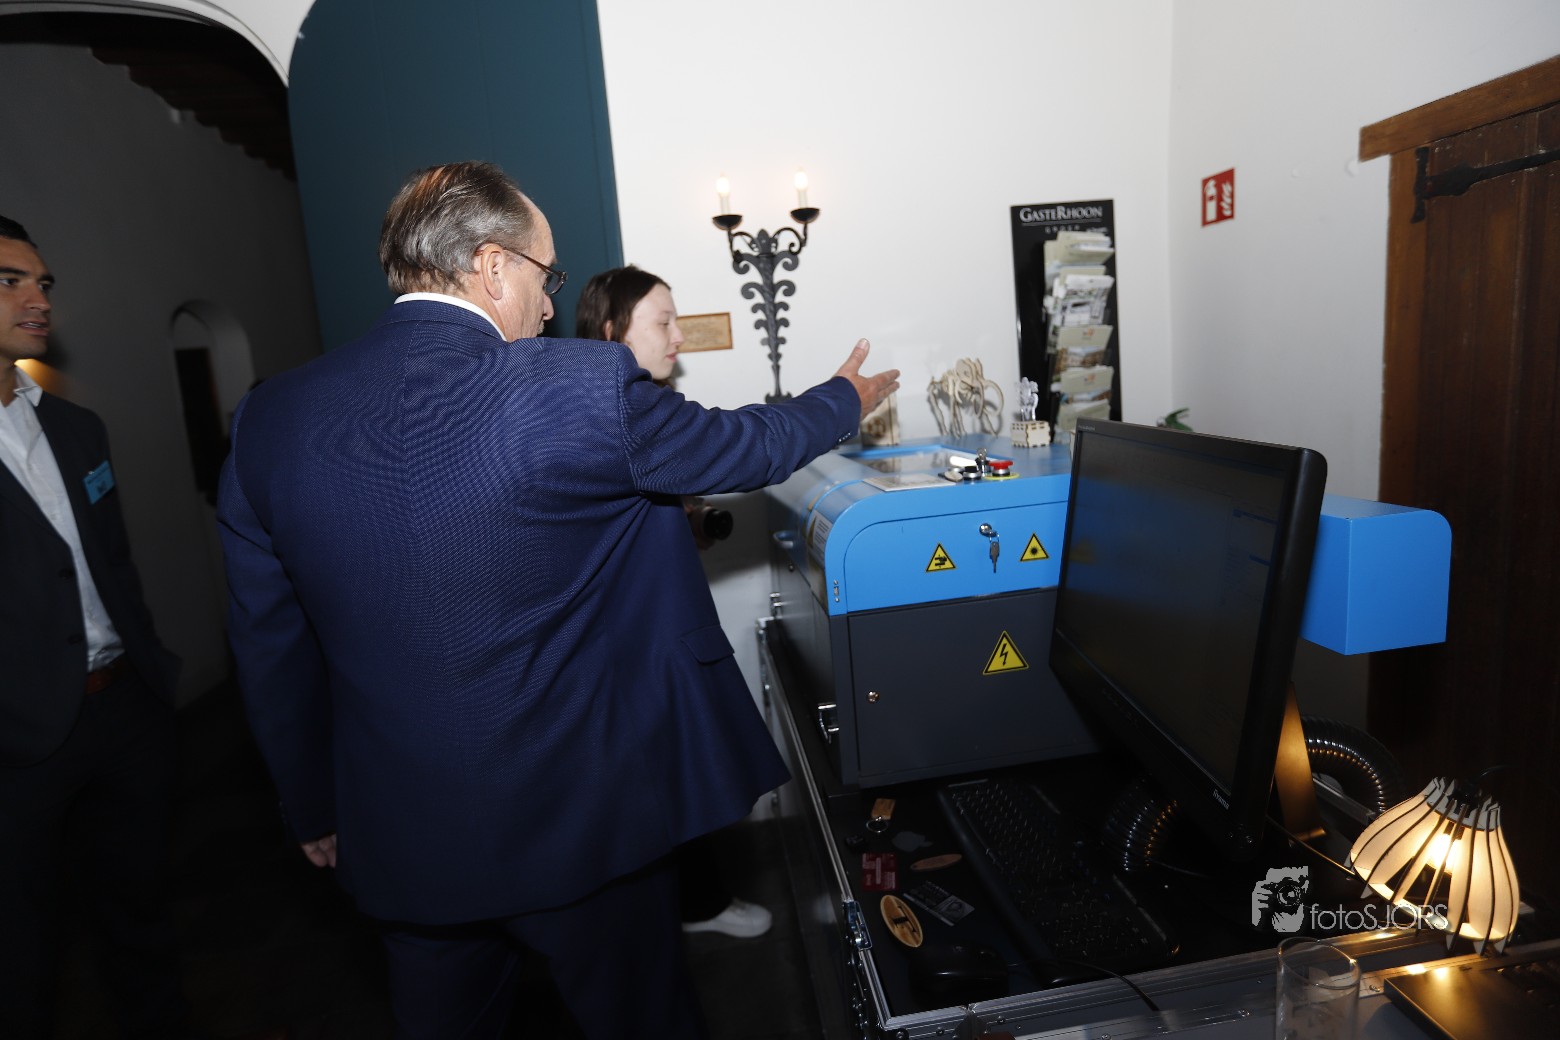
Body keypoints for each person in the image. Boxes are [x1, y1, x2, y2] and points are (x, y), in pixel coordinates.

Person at [217, 160, 899, 1039]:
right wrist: (845, 398)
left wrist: (312, 805)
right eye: (547, 275)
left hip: (405, 839)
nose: (548, 306)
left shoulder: (271, 418)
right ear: (493, 267)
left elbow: (267, 643)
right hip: (583, 830)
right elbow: (745, 446)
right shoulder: (576, 386)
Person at [0, 216, 188, 1038]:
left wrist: (153, 672)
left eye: (42, 282)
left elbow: (115, 561)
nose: (39, 299)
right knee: (22, 952)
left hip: (124, 711)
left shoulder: (78, 429)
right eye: (9, 281)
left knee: (142, 912)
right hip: (19, 744)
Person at [576, 263, 773, 940]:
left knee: (673, 784)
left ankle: (691, 905)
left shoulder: (636, 411)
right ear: (611, 333)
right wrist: (839, 400)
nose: (679, 337)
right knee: (659, 786)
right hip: (623, 649)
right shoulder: (613, 415)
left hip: (646, 639)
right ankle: (692, 909)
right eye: (663, 322)